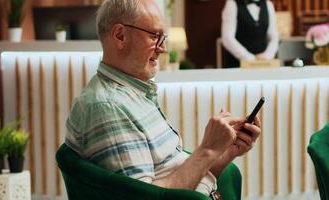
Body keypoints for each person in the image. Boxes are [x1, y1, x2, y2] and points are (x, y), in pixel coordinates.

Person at [65, 0, 261, 198]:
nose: (163, 48)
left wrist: (226, 151)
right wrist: (208, 149)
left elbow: (176, 174)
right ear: (120, 36)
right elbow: (148, 197)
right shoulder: (108, 107)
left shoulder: (134, 93)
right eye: (155, 36)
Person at [221, 0, 279, 68]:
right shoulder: (232, 3)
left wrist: (267, 56)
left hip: (264, 64)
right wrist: (250, 59)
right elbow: (227, 38)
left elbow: (274, 37)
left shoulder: (268, 4)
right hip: (238, 65)